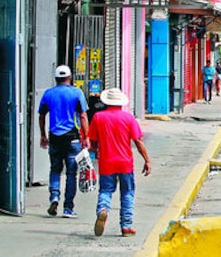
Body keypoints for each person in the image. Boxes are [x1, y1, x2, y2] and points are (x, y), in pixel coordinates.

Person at [89, 88, 151, 237]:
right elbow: (138, 141)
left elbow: (93, 141)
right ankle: (126, 226)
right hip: (125, 163)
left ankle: (103, 210)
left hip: (106, 162)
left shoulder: (98, 117)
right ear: (121, 103)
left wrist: (96, 152)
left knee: (105, 191)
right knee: (127, 193)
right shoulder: (129, 118)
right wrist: (147, 160)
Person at [38, 65, 90, 218]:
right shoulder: (76, 93)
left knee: (55, 169)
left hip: (54, 138)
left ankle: (54, 197)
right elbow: (83, 116)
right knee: (71, 174)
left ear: (56, 78)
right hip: (72, 138)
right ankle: (68, 208)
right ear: (70, 77)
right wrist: (86, 137)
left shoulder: (48, 94)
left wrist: (43, 135)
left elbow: (41, 116)